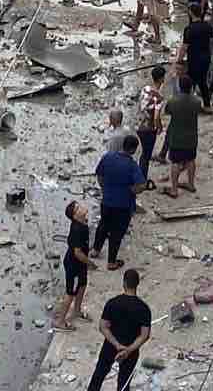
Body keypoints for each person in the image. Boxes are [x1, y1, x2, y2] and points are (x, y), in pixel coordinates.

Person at [86, 268, 151, 391]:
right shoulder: (144, 308)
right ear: (137, 284)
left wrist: (117, 345)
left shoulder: (112, 303)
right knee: (124, 383)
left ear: (124, 283)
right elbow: (145, 335)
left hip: (110, 346)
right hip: (131, 351)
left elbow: (103, 327)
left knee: (99, 375)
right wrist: (128, 350)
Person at [92, 134, 145, 269]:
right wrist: (131, 190)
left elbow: (99, 175)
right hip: (123, 205)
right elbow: (140, 185)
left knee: (103, 225)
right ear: (133, 150)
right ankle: (111, 262)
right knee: (117, 233)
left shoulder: (108, 157)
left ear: (123, 145)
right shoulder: (132, 166)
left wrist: (104, 188)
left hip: (107, 201)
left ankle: (95, 250)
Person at [161, 74, 203, 199]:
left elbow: (167, 111)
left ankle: (174, 189)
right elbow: (199, 111)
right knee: (191, 160)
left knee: (175, 162)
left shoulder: (173, 101)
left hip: (177, 137)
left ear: (179, 86)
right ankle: (191, 184)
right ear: (191, 87)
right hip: (191, 137)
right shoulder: (197, 101)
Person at [55, 201, 91, 329]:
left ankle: (77, 310)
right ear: (75, 216)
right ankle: (60, 321)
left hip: (81, 264)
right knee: (70, 293)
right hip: (74, 265)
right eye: (78, 208)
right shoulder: (77, 229)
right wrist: (90, 263)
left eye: (79, 205)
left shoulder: (83, 222)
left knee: (82, 285)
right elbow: (77, 253)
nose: (82, 207)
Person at [134, 64, 165, 180]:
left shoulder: (145, 89)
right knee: (146, 155)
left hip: (139, 125)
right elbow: (156, 117)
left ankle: (140, 176)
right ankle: (142, 179)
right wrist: (159, 127)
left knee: (143, 153)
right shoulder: (159, 97)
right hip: (148, 129)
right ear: (161, 79)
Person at [178, 4, 212, 109]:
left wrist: (179, 60)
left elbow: (184, 46)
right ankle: (207, 105)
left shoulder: (189, 29)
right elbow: (211, 41)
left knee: (189, 82)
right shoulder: (207, 26)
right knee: (203, 82)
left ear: (191, 13)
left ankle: (187, 105)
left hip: (194, 59)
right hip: (206, 58)